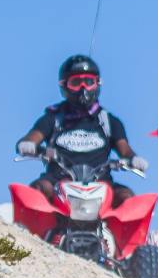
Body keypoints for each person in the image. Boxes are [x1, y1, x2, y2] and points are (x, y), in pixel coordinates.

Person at [15, 55, 147, 206]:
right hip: (58, 183)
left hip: (101, 184)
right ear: (64, 86)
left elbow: (125, 150)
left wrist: (134, 159)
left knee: (127, 197)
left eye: (89, 82)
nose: (83, 88)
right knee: (38, 189)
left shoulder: (109, 122)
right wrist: (28, 145)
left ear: (97, 84)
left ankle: (134, 223)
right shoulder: (53, 118)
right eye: (76, 83)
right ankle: (27, 222)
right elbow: (33, 137)